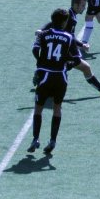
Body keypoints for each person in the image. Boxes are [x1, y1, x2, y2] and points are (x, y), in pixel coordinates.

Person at [34, 0, 100, 97]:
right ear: (75, 5)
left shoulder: (68, 14)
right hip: (62, 51)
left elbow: (52, 23)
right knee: (84, 67)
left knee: (68, 67)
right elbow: (70, 37)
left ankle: (42, 76)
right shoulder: (70, 18)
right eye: (83, 5)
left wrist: (42, 30)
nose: (84, 8)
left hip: (58, 50)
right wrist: (82, 45)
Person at [29, 8, 83, 156]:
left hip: (45, 75)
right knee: (57, 108)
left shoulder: (44, 35)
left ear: (52, 20)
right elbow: (77, 59)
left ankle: (35, 139)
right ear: (65, 22)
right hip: (61, 77)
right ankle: (52, 140)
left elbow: (35, 50)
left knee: (38, 108)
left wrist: (40, 63)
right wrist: (67, 65)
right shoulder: (69, 37)